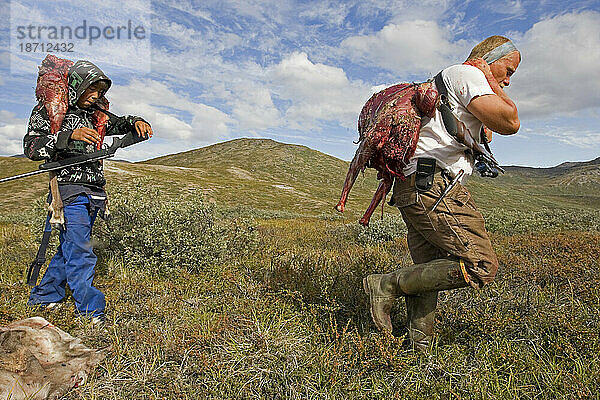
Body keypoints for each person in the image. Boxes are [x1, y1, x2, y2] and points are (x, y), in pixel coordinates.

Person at [363, 36, 521, 350]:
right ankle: (385, 284)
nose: (508, 79)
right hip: (435, 186)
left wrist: (491, 81)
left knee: (427, 274)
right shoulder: (467, 74)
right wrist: (492, 80)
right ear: (490, 57)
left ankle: (420, 356)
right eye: (508, 69)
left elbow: (486, 130)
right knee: (481, 265)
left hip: (415, 187)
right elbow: (510, 121)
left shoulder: (455, 82)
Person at [24, 60, 153, 323]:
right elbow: (32, 146)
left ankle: (45, 295)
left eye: (100, 91)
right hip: (68, 190)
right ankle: (91, 310)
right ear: (76, 86)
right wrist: (69, 136)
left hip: (95, 191)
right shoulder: (50, 112)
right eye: (91, 89)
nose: (96, 96)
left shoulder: (98, 115)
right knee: (81, 248)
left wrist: (138, 122)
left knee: (70, 246)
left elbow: (122, 124)